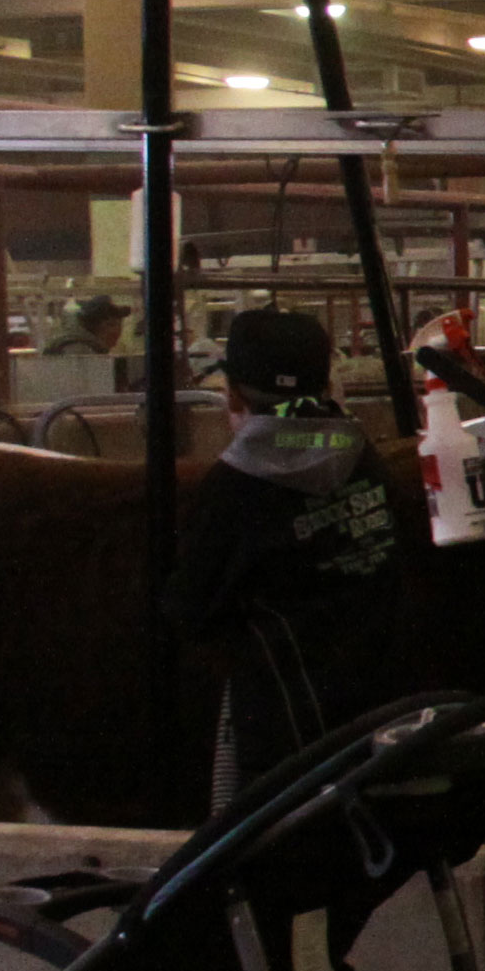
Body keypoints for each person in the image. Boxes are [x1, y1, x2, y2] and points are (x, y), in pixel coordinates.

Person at [161, 308, 402, 802]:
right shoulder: (363, 455)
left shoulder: (235, 485)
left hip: (285, 729)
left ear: (233, 395)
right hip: (384, 707)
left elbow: (189, 608)